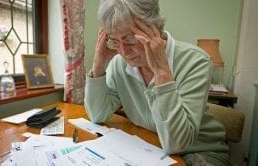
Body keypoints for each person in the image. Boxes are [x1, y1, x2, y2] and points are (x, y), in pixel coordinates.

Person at [84, 0, 230, 165]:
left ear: (154, 28)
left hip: (199, 152)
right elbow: (97, 114)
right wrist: (98, 65)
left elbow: (177, 144)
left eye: (130, 39)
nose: (123, 51)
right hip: (151, 147)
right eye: (114, 41)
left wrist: (161, 71)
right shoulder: (120, 64)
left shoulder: (196, 61)